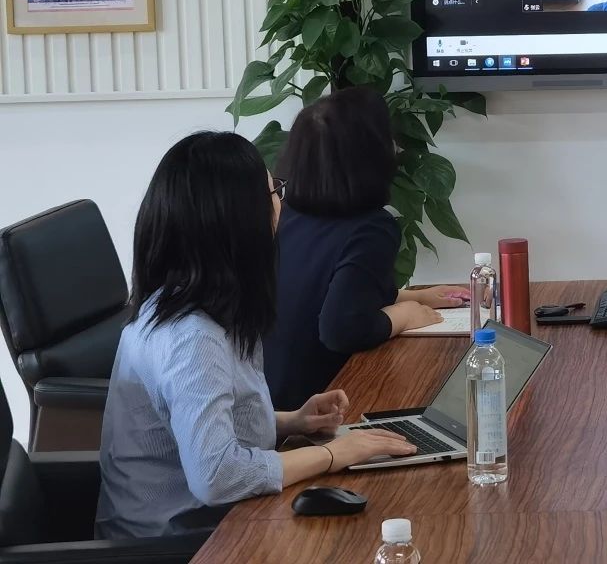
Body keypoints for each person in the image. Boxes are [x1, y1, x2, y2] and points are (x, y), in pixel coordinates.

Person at [96, 132, 416, 540]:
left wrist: (291, 421)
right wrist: (332, 454)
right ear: (241, 220)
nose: (280, 203)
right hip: (179, 541)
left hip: (207, 523)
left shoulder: (185, 300)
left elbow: (202, 426)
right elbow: (216, 476)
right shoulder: (192, 338)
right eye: (274, 192)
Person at [263, 88, 468, 410]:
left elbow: (315, 295)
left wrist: (414, 296)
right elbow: (340, 330)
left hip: (269, 402)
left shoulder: (285, 213)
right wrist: (401, 316)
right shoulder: (371, 228)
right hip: (320, 407)